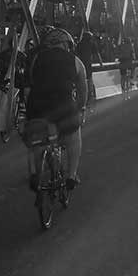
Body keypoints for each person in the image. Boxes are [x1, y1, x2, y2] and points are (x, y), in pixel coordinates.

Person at [25, 27, 88, 190]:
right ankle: (72, 175)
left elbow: (28, 87)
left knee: (35, 140)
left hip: (37, 107)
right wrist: (81, 108)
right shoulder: (75, 61)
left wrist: (29, 112)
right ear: (67, 45)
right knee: (74, 137)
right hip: (64, 107)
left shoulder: (35, 58)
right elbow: (83, 91)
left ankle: (34, 172)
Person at [76, 31, 97, 111]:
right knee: (90, 82)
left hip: (81, 65)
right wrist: (100, 63)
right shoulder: (91, 44)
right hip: (88, 66)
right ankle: (90, 100)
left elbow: (76, 55)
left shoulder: (79, 44)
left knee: (81, 82)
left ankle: (83, 101)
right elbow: (96, 54)